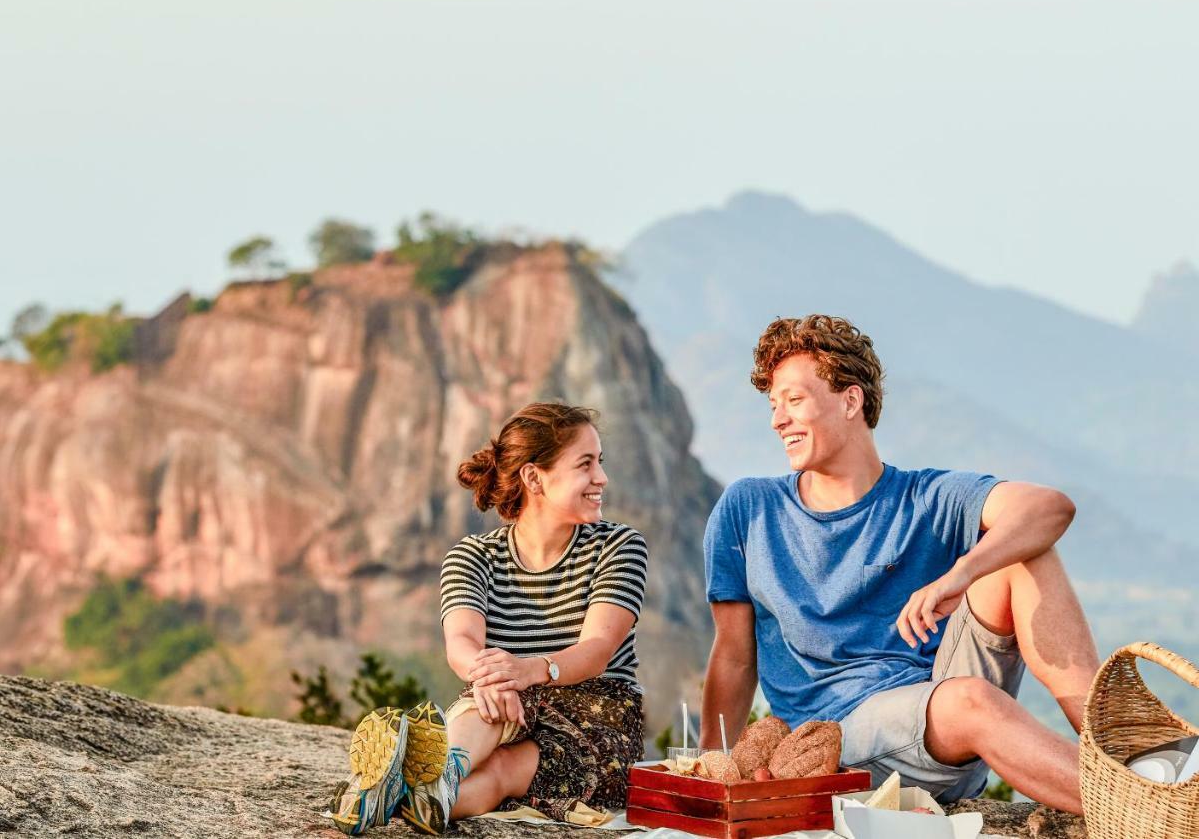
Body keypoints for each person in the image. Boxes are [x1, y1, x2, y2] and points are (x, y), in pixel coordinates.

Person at [699, 315, 1099, 814]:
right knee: (969, 700)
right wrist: (708, 771)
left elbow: (1049, 508)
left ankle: (1112, 745)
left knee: (1022, 550)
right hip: (839, 737)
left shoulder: (925, 496)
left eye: (794, 400)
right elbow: (735, 656)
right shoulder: (749, 508)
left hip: (944, 720)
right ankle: (1138, 805)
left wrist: (962, 573)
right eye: (773, 404)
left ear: (850, 401)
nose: (777, 419)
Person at [330, 402, 648, 834]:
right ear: (534, 477)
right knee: (492, 707)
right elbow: (461, 641)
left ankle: (406, 785)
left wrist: (526, 670)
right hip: (501, 706)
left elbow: (595, 651)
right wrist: (493, 676)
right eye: (585, 464)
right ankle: (428, 789)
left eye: (600, 462)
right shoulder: (472, 556)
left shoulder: (619, 547)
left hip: (596, 717)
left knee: (502, 770)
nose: (601, 478)